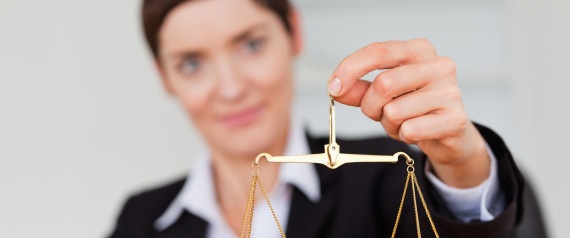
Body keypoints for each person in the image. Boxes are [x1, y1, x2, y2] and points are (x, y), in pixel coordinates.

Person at [109, 0, 527, 237]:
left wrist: (461, 164)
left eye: (251, 44)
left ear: (294, 32)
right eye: (191, 64)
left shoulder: (392, 179)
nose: (231, 88)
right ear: (164, 77)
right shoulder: (140, 220)